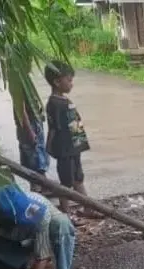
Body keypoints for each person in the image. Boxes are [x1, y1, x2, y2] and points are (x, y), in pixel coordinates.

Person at [44, 61, 100, 222]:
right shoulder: (54, 104)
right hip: (65, 150)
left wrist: (80, 143)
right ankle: (66, 214)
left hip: (74, 148)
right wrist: (50, 146)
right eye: (69, 80)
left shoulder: (64, 100)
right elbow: (55, 129)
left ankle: (88, 207)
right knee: (65, 183)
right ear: (57, 82)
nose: (71, 84)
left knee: (78, 178)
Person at [14, 99, 49, 194]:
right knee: (34, 161)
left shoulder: (27, 88)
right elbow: (21, 110)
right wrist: (29, 130)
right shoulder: (20, 88)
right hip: (29, 127)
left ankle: (44, 186)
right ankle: (37, 189)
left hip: (34, 124)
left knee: (39, 159)